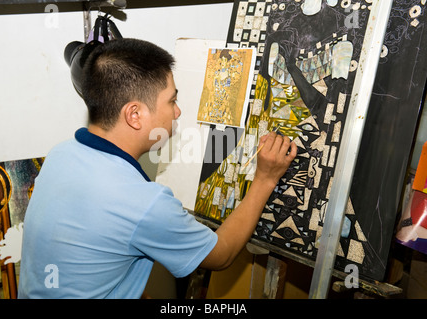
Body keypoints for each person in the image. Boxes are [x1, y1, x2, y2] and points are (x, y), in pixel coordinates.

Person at [18, 38, 297, 299]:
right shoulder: (142, 203)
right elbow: (221, 254)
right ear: (135, 115)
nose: (177, 112)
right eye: (172, 101)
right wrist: (264, 179)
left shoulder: (61, 154)